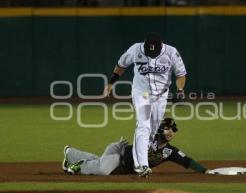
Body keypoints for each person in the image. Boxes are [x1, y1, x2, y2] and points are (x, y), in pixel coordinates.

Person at [102, 33, 187, 176]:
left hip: (161, 96)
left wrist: (180, 91)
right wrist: (111, 82)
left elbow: (181, 74)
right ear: (145, 46)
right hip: (143, 94)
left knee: (153, 130)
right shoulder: (136, 49)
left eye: (154, 52)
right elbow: (120, 65)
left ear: (161, 47)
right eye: (149, 51)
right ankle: (141, 165)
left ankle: (140, 158)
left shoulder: (171, 52)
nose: (151, 54)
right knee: (143, 125)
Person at [63, 118, 209, 177]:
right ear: (159, 130)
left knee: (100, 162)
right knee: (103, 169)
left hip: (120, 164)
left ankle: (70, 153)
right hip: (119, 154)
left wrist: (205, 170)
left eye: (172, 129)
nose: (170, 131)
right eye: (167, 128)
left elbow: (187, 161)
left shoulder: (169, 152)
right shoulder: (148, 137)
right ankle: (80, 164)